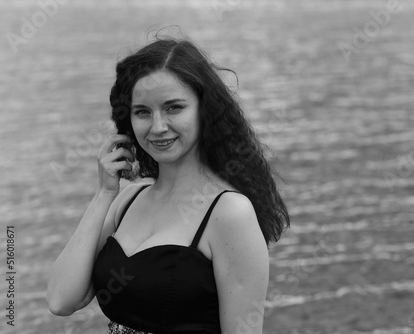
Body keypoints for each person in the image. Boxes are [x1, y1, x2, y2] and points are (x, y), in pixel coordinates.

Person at [46, 33, 290, 334]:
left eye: (174, 107)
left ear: (204, 109)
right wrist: (104, 194)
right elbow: (61, 301)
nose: (158, 127)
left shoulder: (230, 213)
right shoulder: (127, 200)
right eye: (143, 112)